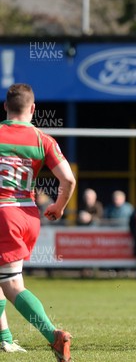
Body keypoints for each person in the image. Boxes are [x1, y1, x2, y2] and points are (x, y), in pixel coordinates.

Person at [0, 83, 75, 361]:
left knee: (12, 284)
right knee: (4, 277)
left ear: (5, 107)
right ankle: (5, 339)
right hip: (28, 214)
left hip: (4, 212)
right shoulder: (43, 140)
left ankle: (53, 336)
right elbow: (68, 180)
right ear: (32, 109)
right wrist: (58, 206)